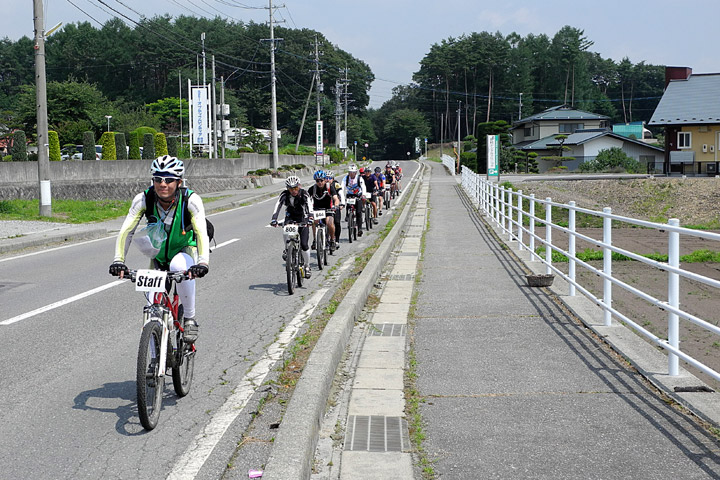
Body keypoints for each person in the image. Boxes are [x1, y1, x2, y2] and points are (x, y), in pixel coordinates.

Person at [109, 155, 209, 343]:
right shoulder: (143, 199)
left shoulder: (191, 200)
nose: (163, 184)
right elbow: (127, 231)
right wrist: (118, 260)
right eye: (158, 179)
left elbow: (200, 231)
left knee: (179, 265)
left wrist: (203, 262)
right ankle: (154, 354)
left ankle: (189, 318)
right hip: (157, 257)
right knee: (152, 307)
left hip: (184, 251)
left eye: (169, 179)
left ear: (179, 182)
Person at [270, 175, 313, 278]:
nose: (294, 191)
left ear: (299, 186)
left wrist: (310, 218)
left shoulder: (304, 194)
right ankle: (287, 249)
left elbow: (309, 206)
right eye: (291, 189)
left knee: (304, 245)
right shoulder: (284, 195)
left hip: (303, 218)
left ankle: (307, 266)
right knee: (286, 228)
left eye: (296, 188)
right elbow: (278, 206)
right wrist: (274, 219)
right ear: (287, 188)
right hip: (290, 217)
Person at [307, 170, 340, 252]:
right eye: (317, 181)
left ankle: (332, 239)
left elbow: (336, 198)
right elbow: (306, 199)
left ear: (325, 180)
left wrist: (336, 206)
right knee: (315, 221)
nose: (320, 183)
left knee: (329, 222)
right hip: (317, 209)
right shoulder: (312, 189)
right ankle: (315, 239)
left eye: (321, 180)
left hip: (328, 209)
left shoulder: (329, 187)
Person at [342, 164, 367, 237]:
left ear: (356, 173)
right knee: (348, 205)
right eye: (350, 172)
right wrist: (340, 195)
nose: (351, 174)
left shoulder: (359, 178)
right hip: (349, 195)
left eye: (353, 172)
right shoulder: (346, 178)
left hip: (358, 195)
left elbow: (363, 187)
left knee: (359, 212)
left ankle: (359, 229)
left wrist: (364, 194)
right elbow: (342, 187)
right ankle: (348, 215)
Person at [326, 170, 344, 246]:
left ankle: (336, 240)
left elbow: (341, 193)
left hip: (335, 205)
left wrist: (342, 203)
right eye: (326, 178)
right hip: (325, 206)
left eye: (329, 178)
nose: (328, 179)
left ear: (332, 178)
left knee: (337, 222)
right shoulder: (323, 185)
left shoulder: (336, 184)